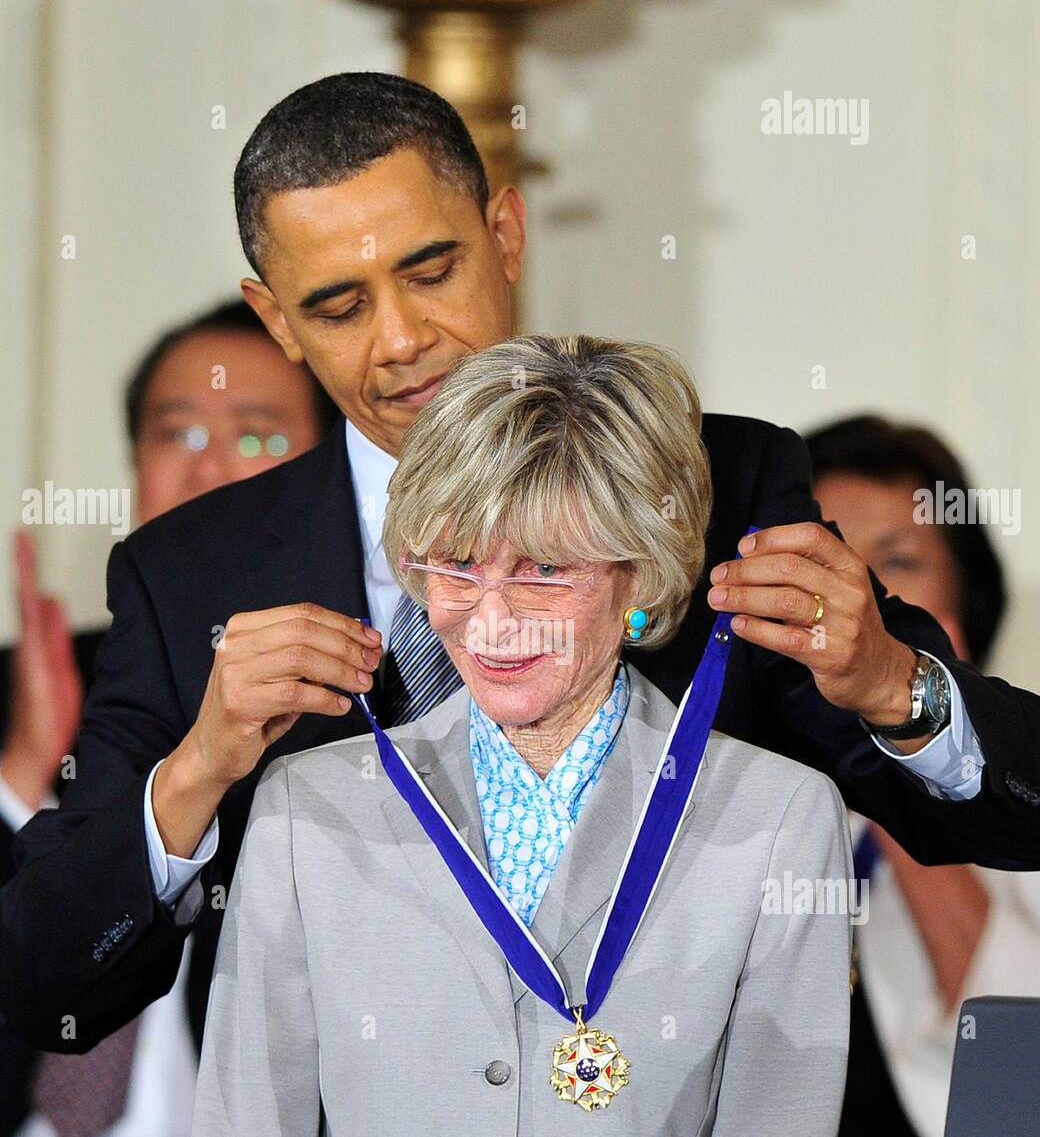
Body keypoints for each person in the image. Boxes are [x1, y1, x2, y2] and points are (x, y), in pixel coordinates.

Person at [3, 72, 1039, 1066]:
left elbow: (1008, 818)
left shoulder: (722, 484)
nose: (403, 339)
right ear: (273, 319)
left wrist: (891, 686)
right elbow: (43, 992)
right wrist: (196, 771)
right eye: (337, 305)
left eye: (429, 270)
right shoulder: (190, 573)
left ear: (504, 234)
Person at [167, 335, 853, 1137]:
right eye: (453, 564)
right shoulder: (307, 809)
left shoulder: (778, 819)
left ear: (640, 577)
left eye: (542, 571)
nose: (489, 623)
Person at [0, 298, 336, 1137]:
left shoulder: (355, 695)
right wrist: (24, 784)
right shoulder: (26, 683)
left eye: (258, 435)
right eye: (176, 431)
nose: (209, 464)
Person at [805, 416, 1040, 1137]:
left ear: (964, 616)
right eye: (825, 563)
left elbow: (1013, 1086)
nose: (855, 606)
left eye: (897, 565)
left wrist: (895, 762)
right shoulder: (722, 821)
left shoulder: (1023, 802)